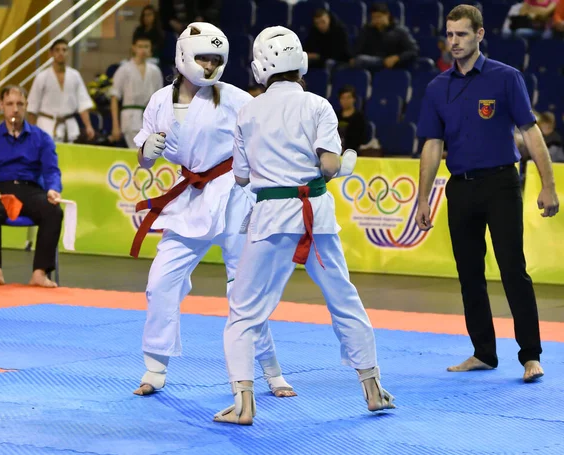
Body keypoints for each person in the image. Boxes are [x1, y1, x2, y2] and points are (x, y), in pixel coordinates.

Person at [213, 26, 395, 426]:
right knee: (343, 298)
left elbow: (242, 177)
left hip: (271, 219)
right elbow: (329, 167)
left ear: (260, 68)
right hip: (316, 215)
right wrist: (344, 160)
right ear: (302, 62)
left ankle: (243, 402)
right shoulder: (318, 105)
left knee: (244, 311)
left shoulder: (248, 111)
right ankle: (373, 387)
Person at [131, 22, 295, 399]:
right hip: (190, 200)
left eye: (216, 59)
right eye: (203, 57)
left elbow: (271, 135)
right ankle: (155, 367)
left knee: (245, 291)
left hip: (236, 197)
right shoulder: (159, 101)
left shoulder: (235, 98)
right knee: (160, 282)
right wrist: (147, 152)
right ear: (184, 56)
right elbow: (143, 158)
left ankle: (271, 371)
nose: (208, 65)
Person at [415, 5, 559, 383]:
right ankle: (483, 352)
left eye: (461, 34)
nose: (454, 41)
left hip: (501, 184)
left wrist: (548, 185)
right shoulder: (436, 87)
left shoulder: (505, 78)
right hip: (460, 188)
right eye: (449, 34)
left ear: (480, 35)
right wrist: (422, 198)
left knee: (513, 270)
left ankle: (531, 355)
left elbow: (531, 133)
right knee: (469, 275)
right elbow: (432, 145)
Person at [0, 85, 63, 288]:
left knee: (53, 211)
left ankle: (40, 273)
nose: (15, 109)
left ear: (26, 106)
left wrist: (53, 189)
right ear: (1, 106)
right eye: (10, 104)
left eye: (20, 104)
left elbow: (51, 170)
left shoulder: (42, 138)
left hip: (31, 190)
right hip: (1, 190)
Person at [27, 39, 95, 143]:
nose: (61, 53)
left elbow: (83, 103)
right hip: (46, 126)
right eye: (57, 50)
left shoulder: (75, 75)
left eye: (64, 50)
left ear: (68, 53)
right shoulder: (42, 77)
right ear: (51, 53)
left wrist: (88, 126)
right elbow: (32, 107)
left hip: (70, 127)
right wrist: (31, 131)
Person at [110, 33, 163, 148]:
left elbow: (161, 99)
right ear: (133, 48)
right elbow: (114, 97)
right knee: (137, 152)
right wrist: (115, 125)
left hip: (150, 117)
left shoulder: (155, 71)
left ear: (150, 49)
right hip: (130, 117)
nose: (143, 50)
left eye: (146, 46)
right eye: (140, 46)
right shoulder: (124, 69)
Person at [351, 2, 419, 71]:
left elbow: (413, 51)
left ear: (387, 15)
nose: (376, 20)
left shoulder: (400, 31)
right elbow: (356, 51)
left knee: (361, 60)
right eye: (373, 17)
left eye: (379, 17)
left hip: (394, 67)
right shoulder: (366, 31)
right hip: (370, 66)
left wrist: (397, 57)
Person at [336, 85, 368, 153]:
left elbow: (359, 139)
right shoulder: (335, 116)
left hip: (352, 152)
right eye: (343, 98)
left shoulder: (359, 117)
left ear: (354, 99)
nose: (345, 100)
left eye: (348, 98)